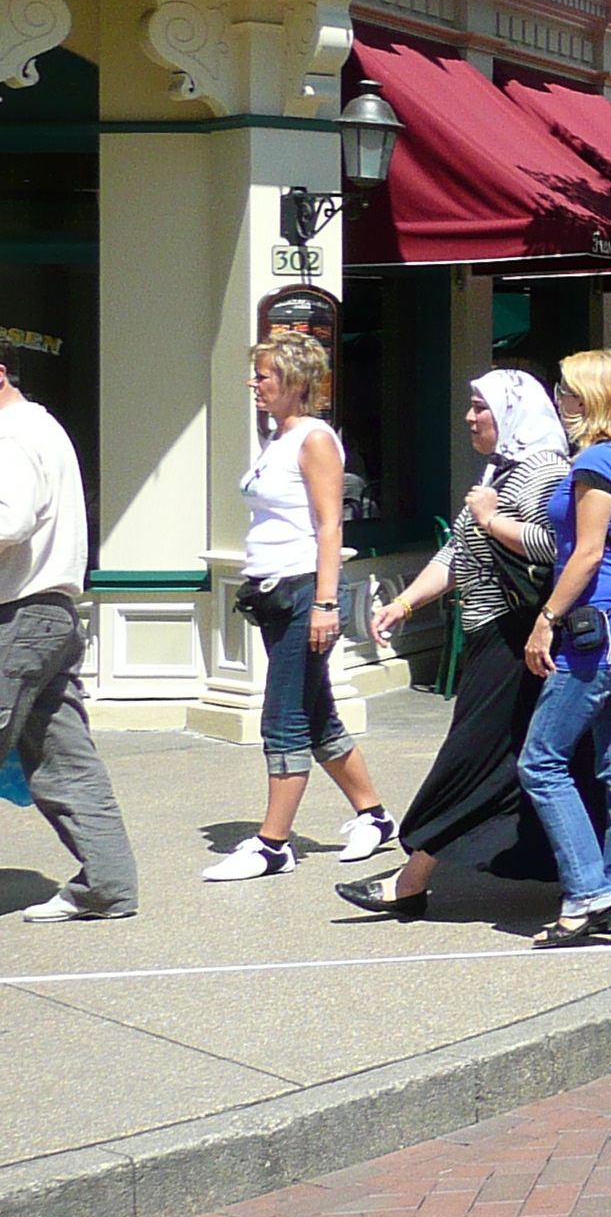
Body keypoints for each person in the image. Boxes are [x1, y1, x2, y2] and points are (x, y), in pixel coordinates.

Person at [341, 373, 571, 921]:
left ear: (511, 413)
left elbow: (558, 547)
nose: (469, 418)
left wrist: (493, 520)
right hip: (490, 635)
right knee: (516, 761)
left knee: (472, 759)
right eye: (470, 407)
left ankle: (413, 877)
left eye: (479, 408)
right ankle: (587, 874)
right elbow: (458, 554)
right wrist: (406, 604)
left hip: (520, 637)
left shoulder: (546, 473)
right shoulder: (504, 470)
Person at [207, 335, 392, 883]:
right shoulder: (279, 439)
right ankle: (376, 818)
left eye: (263, 376)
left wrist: (326, 603)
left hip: (302, 592)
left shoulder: (314, 439)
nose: (254, 385)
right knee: (315, 715)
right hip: (271, 591)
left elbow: (330, 525)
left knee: (282, 716)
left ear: (294, 382)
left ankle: (272, 845)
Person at [515, 350, 611, 948]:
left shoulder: (597, 462)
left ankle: (589, 891)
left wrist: (545, 619)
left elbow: (588, 552)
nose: (558, 398)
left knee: (541, 761)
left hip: (593, 631)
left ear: (589, 398)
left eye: (566, 389)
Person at [0, 345, 137, 922]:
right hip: (53, 614)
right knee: (65, 759)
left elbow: (10, 519)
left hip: (17, 615)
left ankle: (107, 886)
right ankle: (107, 886)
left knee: (64, 759)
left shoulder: (9, 434)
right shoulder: (44, 426)